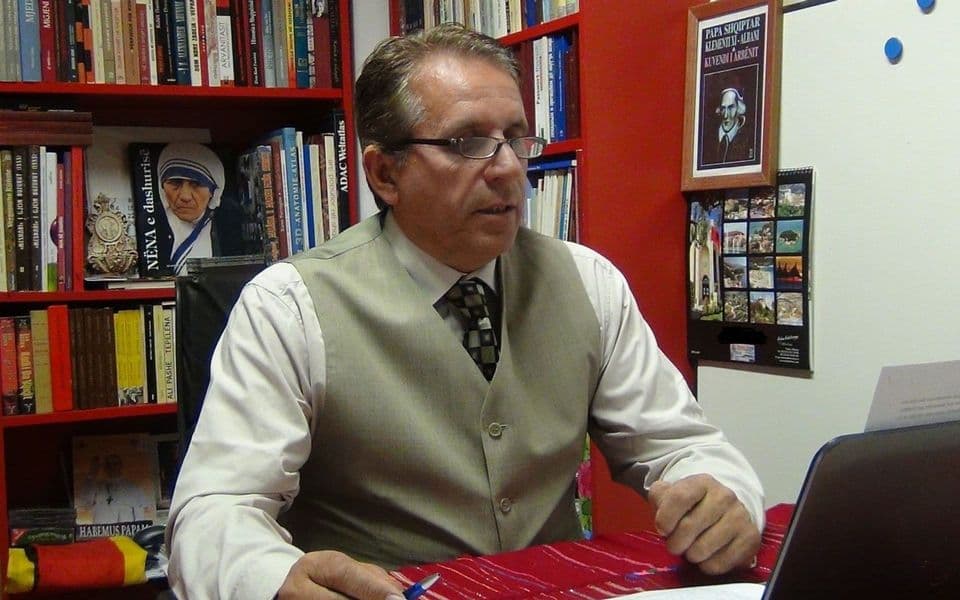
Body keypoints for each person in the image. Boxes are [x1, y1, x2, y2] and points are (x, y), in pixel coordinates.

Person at [166, 24, 764, 600]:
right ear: (385, 173)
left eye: (515, 138)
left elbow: (681, 445)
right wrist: (273, 578)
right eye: (467, 142)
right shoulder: (289, 307)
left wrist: (723, 494)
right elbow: (212, 514)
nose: (508, 168)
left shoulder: (588, 282)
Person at [156, 142, 226, 274]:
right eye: (175, 183)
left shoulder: (228, 227)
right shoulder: (150, 224)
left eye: (197, 184)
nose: (185, 196)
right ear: (162, 187)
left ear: (213, 191)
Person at [703, 87, 755, 165]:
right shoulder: (707, 138)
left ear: (739, 108)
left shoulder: (749, 139)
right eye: (723, 108)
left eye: (731, 108)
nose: (726, 115)